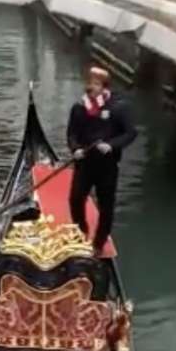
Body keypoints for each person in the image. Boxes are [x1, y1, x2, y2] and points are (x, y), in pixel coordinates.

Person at [66, 66, 137, 255]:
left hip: (107, 165)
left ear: (104, 86)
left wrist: (112, 145)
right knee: (75, 199)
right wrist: (76, 149)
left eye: (95, 84)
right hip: (85, 163)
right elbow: (72, 134)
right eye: (89, 83)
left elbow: (131, 133)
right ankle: (81, 232)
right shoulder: (79, 107)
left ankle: (98, 243)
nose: (91, 87)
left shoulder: (118, 107)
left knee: (106, 205)